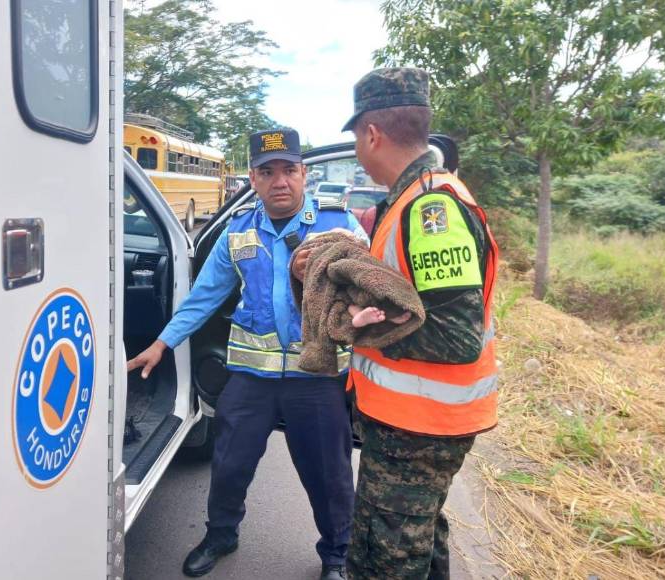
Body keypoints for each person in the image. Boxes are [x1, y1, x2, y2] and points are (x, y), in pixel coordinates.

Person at [127, 128, 368, 580]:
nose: (280, 181)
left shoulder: (339, 227)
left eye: (289, 170)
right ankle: (221, 534)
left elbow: (367, 287)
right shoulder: (238, 232)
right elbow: (202, 298)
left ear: (304, 175)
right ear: (252, 180)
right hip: (250, 379)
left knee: (330, 476)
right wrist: (161, 344)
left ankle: (337, 554)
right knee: (230, 466)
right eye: (267, 171)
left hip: (314, 378)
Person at [294, 68, 499, 579]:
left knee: (386, 559)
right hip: (412, 424)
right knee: (418, 543)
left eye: (356, 140)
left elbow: (456, 336)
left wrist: (348, 326)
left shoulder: (431, 208)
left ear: (371, 134)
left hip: (423, 427)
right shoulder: (411, 198)